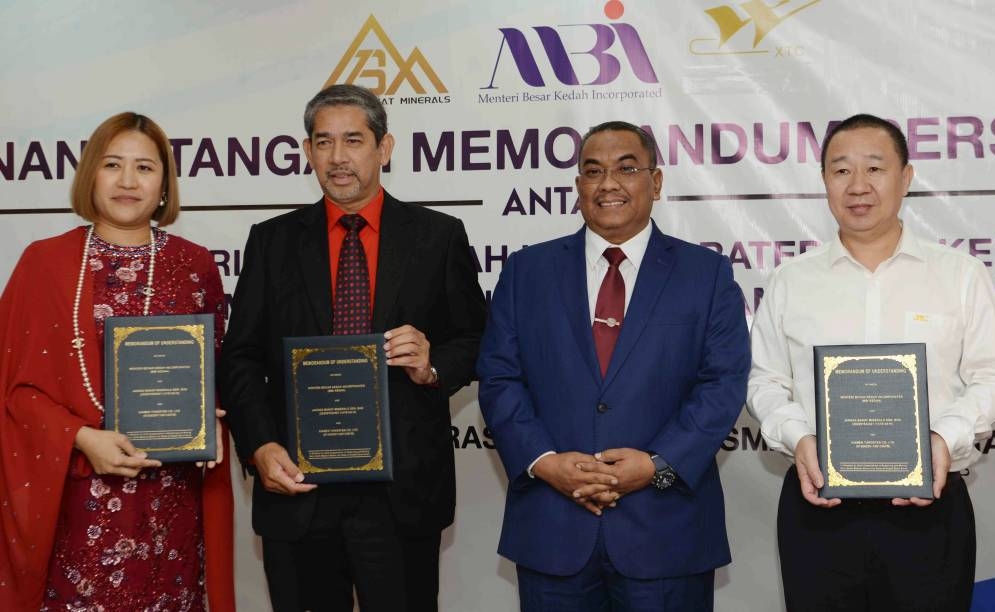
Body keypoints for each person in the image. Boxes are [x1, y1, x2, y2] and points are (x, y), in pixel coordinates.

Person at [219, 83, 486, 612]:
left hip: (400, 493)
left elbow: (477, 339)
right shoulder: (271, 241)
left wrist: (433, 364)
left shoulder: (437, 236)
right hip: (298, 488)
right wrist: (259, 446)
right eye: (323, 142)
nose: (338, 158)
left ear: (383, 149)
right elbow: (241, 356)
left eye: (353, 141)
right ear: (307, 151)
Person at [477, 120, 750, 612]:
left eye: (627, 169)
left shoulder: (705, 274)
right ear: (578, 185)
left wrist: (655, 465)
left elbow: (722, 384)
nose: (608, 184)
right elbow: (499, 379)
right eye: (593, 171)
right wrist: (546, 463)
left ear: (657, 181)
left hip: (667, 532)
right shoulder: (526, 272)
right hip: (553, 529)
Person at [746, 113, 995, 611]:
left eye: (875, 168)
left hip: (930, 511)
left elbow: (991, 375)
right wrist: (800, 436)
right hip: (819, 509)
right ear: (823, 181)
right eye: (841, 171)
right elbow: (765, 381)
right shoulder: (790, 280)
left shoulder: (959, 275)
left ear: (906, 177)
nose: (857, 186)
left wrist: (941, 441)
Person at [0, 112, 235, 611]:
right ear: (91, 175)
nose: (128, 181)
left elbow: (216, 374)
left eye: (145, 168)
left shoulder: (194, 264)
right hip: (74, 506)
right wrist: (81, 438)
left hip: (171, 502)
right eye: (113, 164)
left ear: (165, 185)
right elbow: (14, 393)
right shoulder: (43, 263)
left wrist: (211, 418)